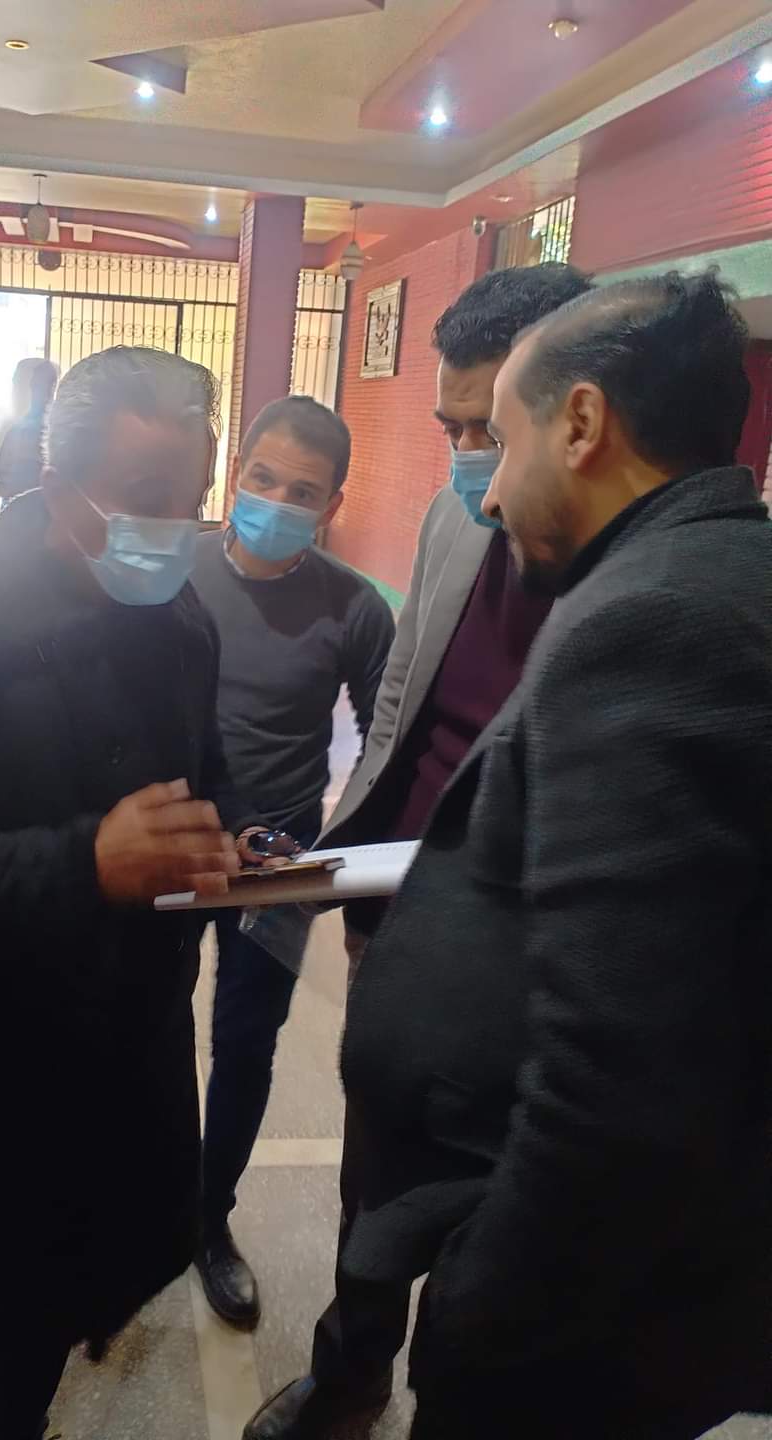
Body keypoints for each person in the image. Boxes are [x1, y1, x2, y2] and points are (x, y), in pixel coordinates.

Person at [346, 271, 771, 1438]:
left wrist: (483, 1311)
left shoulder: (653, 620)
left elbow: (618, 1076)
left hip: (579, 1325)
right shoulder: (712, 567)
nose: (485, 486)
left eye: (503, 434)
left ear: (580, 423)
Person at [0, 347, 266, 1440]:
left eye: (190, 498)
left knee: (106, 1282)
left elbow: (206, 773)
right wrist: (86, 863)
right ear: (54, 482)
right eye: (143, 497)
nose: (172, 528)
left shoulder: (183, 621)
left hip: (137, 1057)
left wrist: (234, 837)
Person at [246, 261, 593, 1440]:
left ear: (575, 411)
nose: (468, 459)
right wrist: (348, 863)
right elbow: (399, 700)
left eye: (488, 430)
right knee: (374, 1164)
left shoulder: (628, 560)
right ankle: (351, 1379)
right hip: (398, 911)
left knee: (500, 1205)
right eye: (453, 430)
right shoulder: (454, 517)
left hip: (527, 943)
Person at [190, 396, 394, 1326]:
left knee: (245, 1043)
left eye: (301, 491)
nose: (275, 500)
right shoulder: (176, 575)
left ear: (332, 504)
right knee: (139, 1029)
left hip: (279, 864)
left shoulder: (354, 607)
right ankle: (134, 1209)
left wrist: (332, 870)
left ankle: (207, 1220)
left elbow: (386, 746)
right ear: (236, 472)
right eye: (262, 477)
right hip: (174, 841)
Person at [0, 357, 60, 505]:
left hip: (30, 514)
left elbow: (36, 483)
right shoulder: (17, 425)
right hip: (16, 511)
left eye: (20, 382)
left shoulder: (43, 429)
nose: (15, 388)